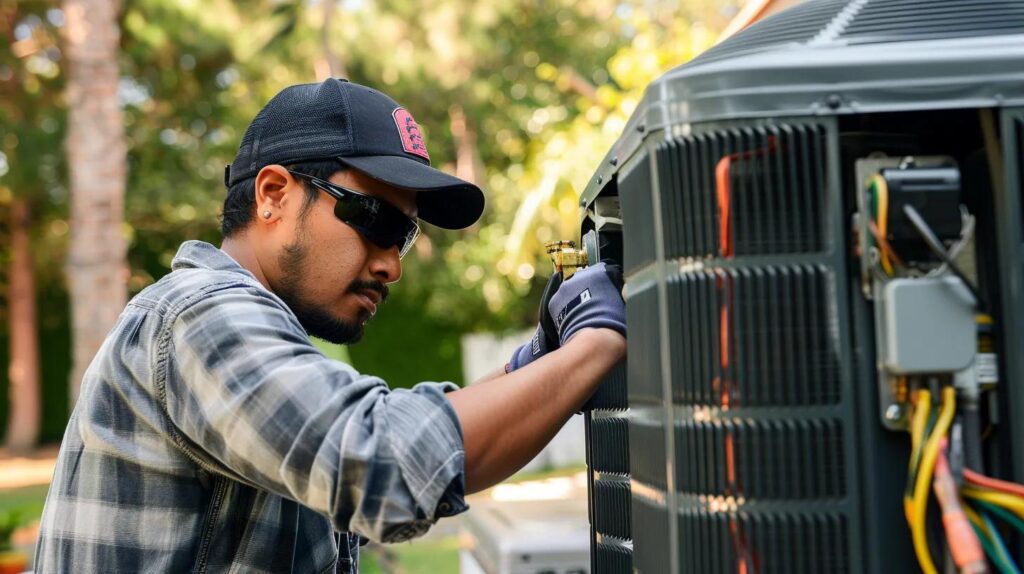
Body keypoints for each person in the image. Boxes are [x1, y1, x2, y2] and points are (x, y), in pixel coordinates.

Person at [33, 78, 626, 573]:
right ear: (273, 195)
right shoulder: (201, 314)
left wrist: (538, 362)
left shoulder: (253, 339)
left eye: (404, 236)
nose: (392, 265)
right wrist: (598, 341)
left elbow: (371, 456)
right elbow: (384, 462)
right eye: (375, 219)